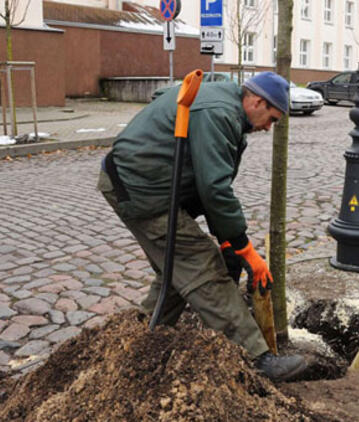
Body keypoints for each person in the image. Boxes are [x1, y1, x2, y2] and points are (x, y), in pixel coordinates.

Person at [97, 72, 306, 381]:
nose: (268, 127)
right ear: (257, 101)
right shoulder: (219, 113)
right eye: (271, 118)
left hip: (135, 183)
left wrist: (227, 240)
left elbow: (202, 178)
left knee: (175, 269)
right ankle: (256, 357)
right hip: (141, 190)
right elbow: (215, 189)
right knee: (201, 264)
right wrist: (245, 251)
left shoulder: (223, 103)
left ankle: (141, 337)